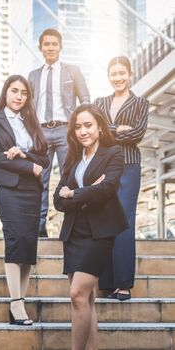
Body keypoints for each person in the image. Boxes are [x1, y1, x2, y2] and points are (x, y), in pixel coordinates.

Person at [53, 104, 128, 350]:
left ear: (99, 126)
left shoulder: (113, 153)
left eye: (88, 125)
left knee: (76, 294)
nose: (82, 131)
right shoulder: (72, 158)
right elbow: (57, 201)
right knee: (86, 299)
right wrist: (86, 192)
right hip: (74, 233)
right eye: (77, 127)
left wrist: (73, 193)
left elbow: (106, 190)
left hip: (99, 233)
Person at [0, 75, 49, 325]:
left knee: (28, 244)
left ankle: (19, 301)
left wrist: (24, 154)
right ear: (6, 92)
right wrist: (28, 166)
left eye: (23, 92)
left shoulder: (32, 121)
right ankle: (16, 303)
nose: (19, 96)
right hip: (9, 189)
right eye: (14, 91)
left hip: (32, 191)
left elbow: (43, 160)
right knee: (15, 241)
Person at [95, 56, 149, 300]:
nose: (118, 77)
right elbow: (97, 133)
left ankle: (123, 284)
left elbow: (137, 134)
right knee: (104, 221)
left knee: (124, 221)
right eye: (113, 73)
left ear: (130, 74)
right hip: (103, 167)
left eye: (122, 73)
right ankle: (106, 282)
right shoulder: (99, 102)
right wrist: (119, 130)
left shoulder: (140, 103)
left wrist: (109, 131)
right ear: (109, 76)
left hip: (129, 166)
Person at [28, 28, 90, 237]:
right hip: (42, 132)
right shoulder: (33, 75)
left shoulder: (72, 71)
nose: (51, 47)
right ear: (41, 48)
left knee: (70, 177)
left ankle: (71, 225)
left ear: (60, 47)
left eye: (54, 44)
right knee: (40, 180)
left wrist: (81, 126)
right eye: (47, 44)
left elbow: (86, 100)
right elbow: (28, 107)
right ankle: (39, 227)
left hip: (66, 131)